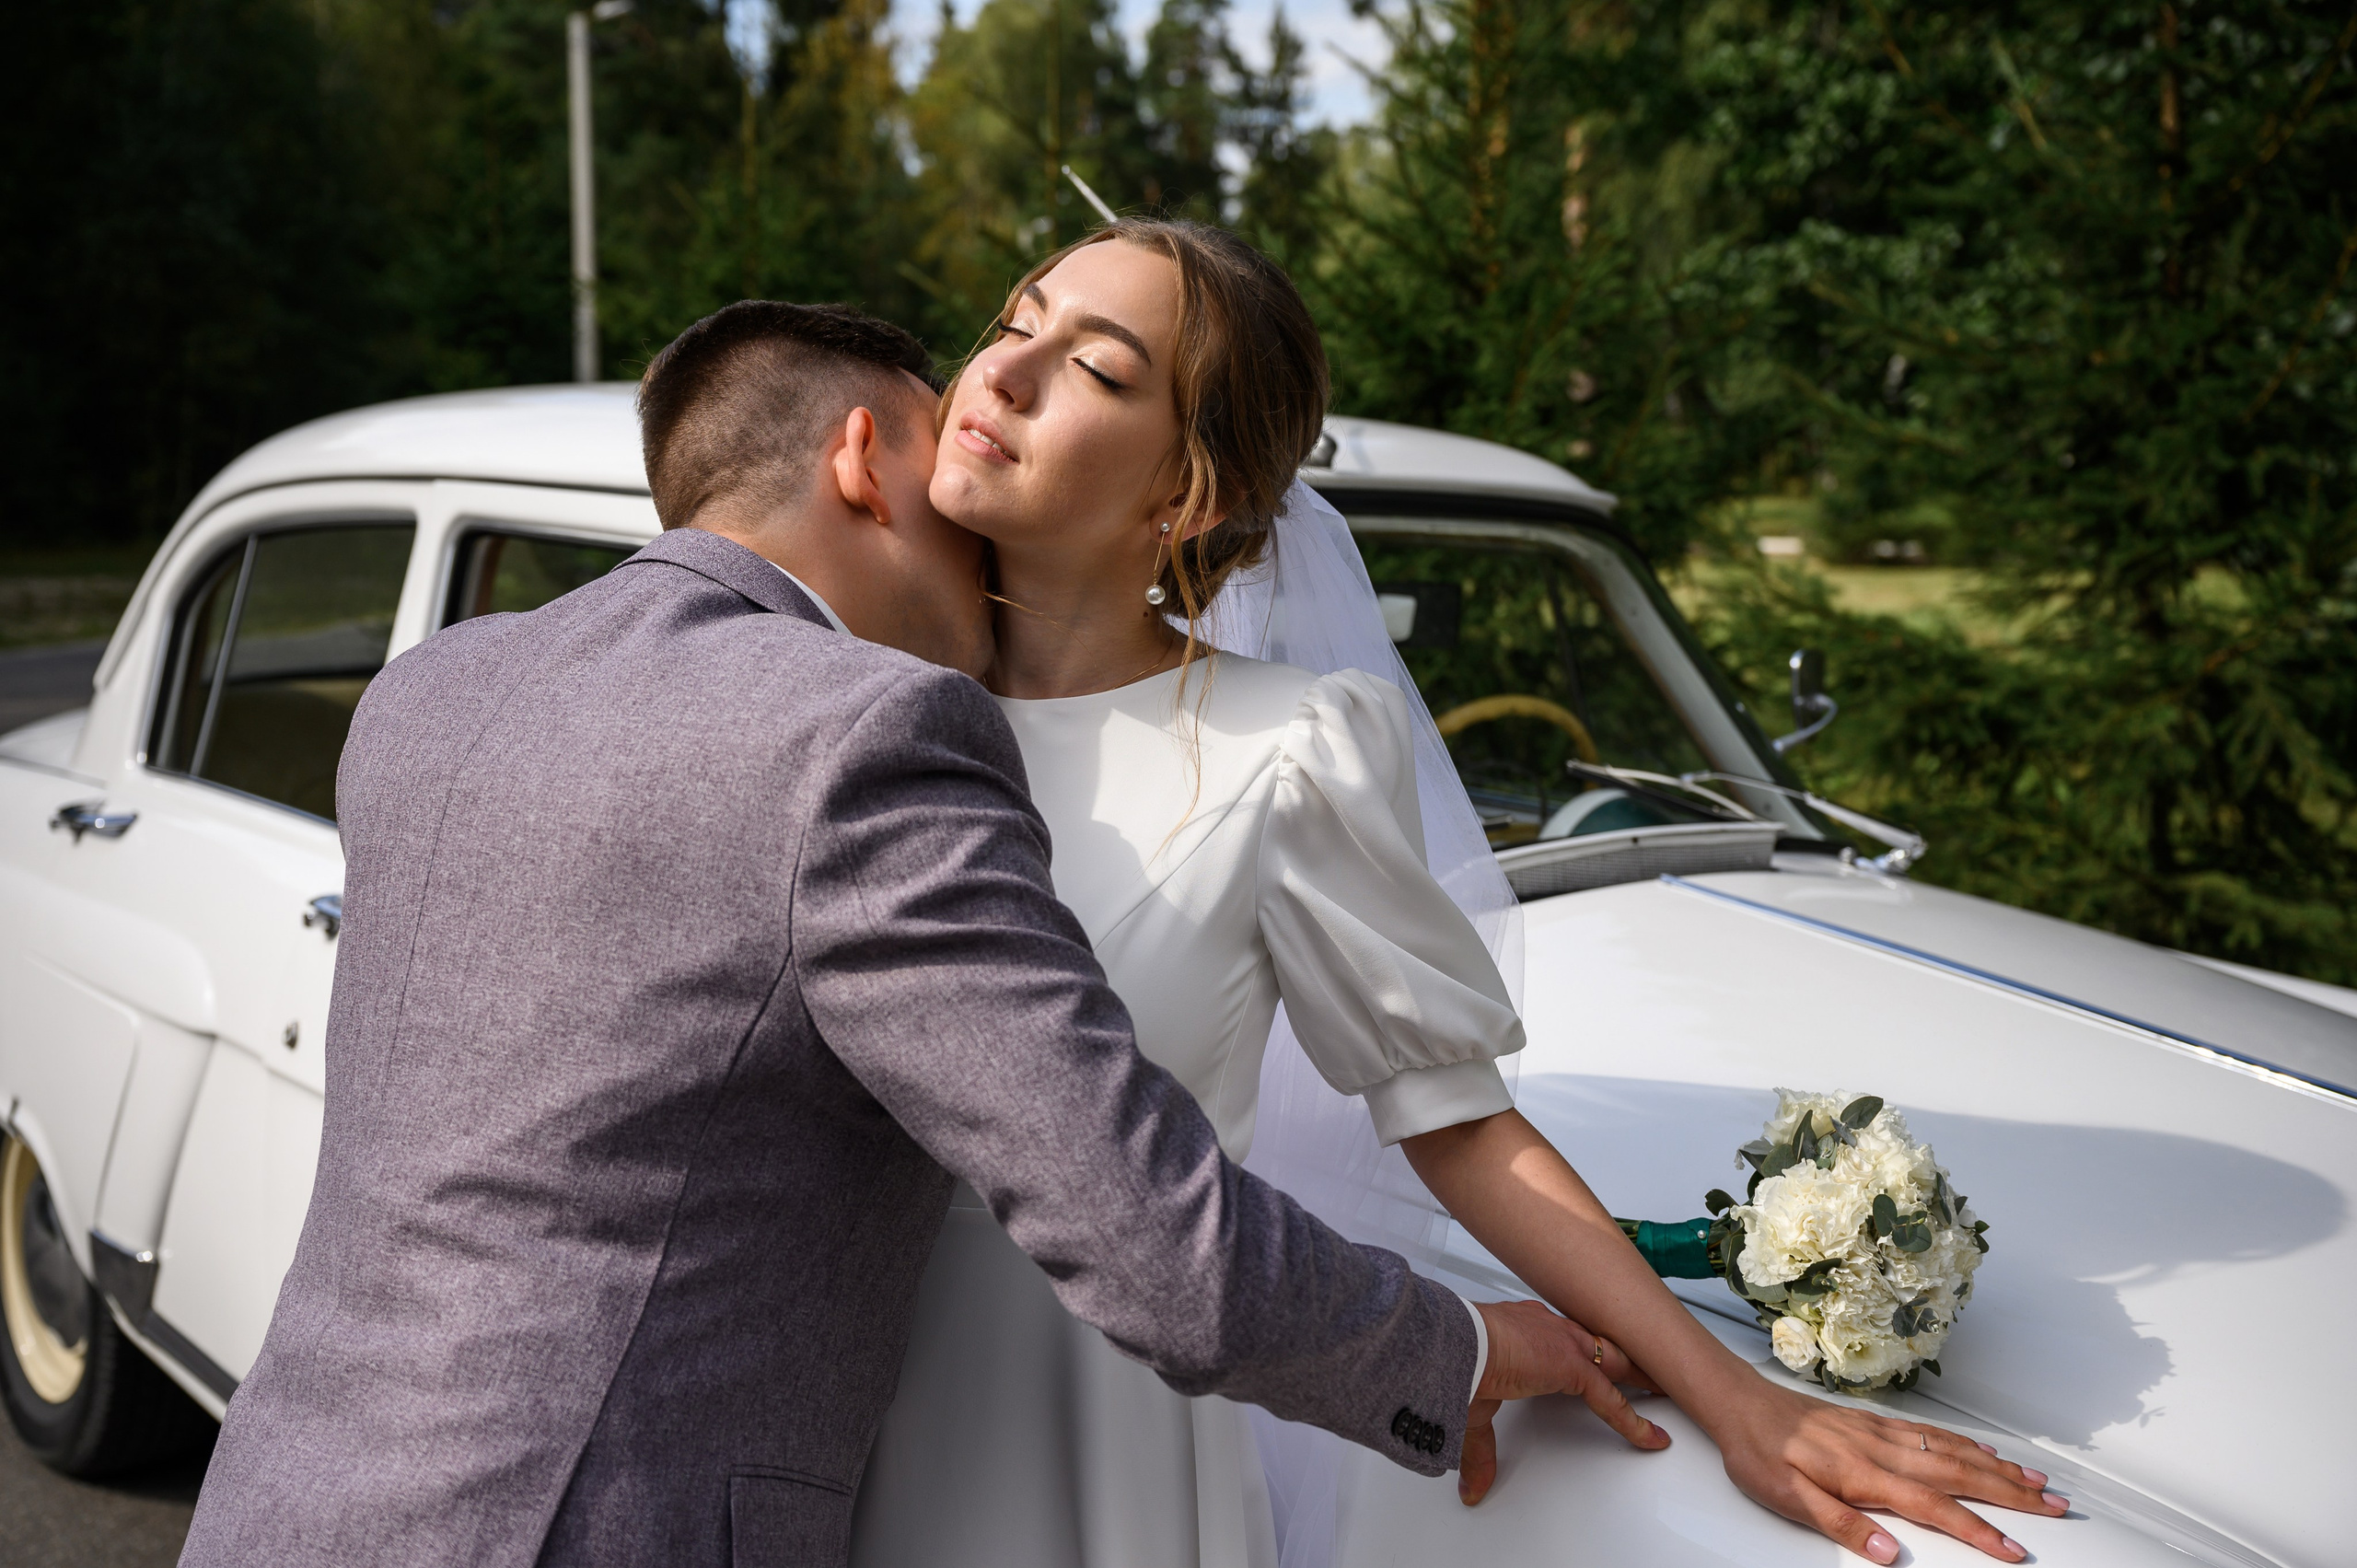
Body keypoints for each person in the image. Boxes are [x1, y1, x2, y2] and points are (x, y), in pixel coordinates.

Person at [176, 303, 1649, 1568]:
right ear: (862, 463)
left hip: (284, 1500)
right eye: (950, 488)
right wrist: (1459, 1347)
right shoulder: (860, 732)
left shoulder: (432, 692)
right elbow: (1153, 1241)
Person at [849, 221, 2069, 1568]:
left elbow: (1458, 1122)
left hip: (1097, 1429)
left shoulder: (1286, 752)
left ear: (1188, 494)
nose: (1002, 373)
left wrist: (1741, 1400)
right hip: (817, 1400)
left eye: (1098, 368)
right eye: (1017, 320)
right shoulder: (836, 702)